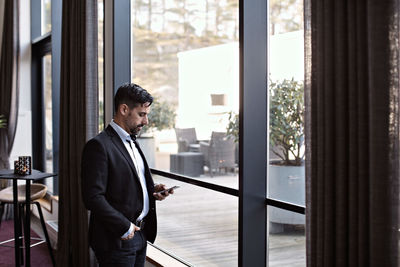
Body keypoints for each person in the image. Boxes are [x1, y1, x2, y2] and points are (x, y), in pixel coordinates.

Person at [81, 83, 173, 267]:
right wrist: (125, 227)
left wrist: (151, 191)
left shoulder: (132, 140)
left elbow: (125, 182)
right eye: (141, 114)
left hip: (140, 233)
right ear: (124, 109)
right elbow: (92, 197)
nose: (146, 121)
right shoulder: (98, 146)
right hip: (116, 238)